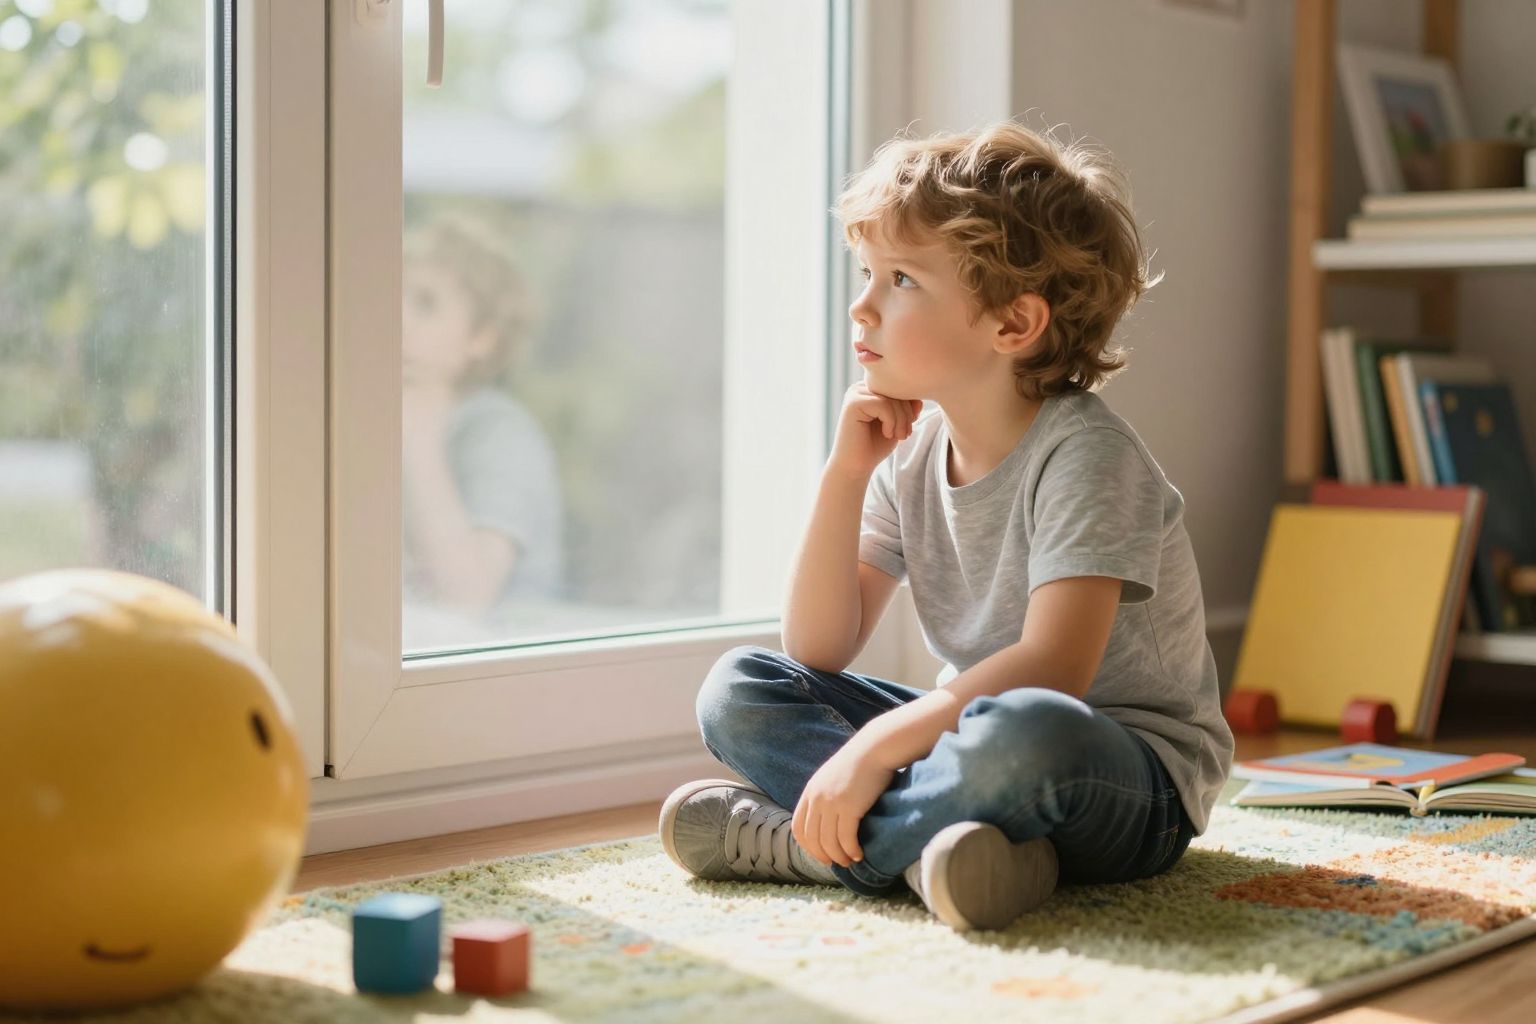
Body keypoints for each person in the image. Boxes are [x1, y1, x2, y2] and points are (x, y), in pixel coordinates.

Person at [657, 119, 1234, 933]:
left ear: (1012, 325)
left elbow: (1052, 671)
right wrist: (844, 475)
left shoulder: (1089, 456)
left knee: (1024, 731)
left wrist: (875, 749)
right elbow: (818, 649)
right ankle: (948, 851)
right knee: (739, 688)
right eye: (867, 273)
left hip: (1120, 779)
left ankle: (813, 850)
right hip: (969, 744)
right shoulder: (913, 451)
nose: (862, 306)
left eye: (900, 280)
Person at [401, 215, 566, 630]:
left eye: (425, 303)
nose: (397, 318)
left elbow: (468, 596)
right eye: (390, 297)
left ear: (483, 338)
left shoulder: (500, 432)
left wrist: (418, 433)